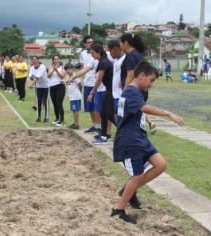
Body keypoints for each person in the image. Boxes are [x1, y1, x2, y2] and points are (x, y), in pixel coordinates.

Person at [111, 62, 185, 224]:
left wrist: (148, 121)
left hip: (139, 136)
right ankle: (118, 210)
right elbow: (143, 108)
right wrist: (169, 114)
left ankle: (129, 190)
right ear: (142, 75)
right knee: (136, 176)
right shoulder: (131, 92)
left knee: (160, 164)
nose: (151, 85)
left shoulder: (132, 91)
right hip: (130, 140)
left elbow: (129, 112)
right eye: (151, 80)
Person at [120, 33, 156, 134]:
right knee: (138, 114)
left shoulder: (131, 56)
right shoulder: (137, 54)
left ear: (125, 43)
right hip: (139, 89)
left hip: (134, 91)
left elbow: (130, 74)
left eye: (120, 43)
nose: (120, 46)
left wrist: (125, 91)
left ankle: (138, 136)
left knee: (134, 116)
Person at [70, 35, 101, 133]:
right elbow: (83, 68)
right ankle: (94, 125)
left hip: (96, 83)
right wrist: (78, 78)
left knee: (97, 106)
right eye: (88, 42)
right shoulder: (83, 54)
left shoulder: (98, 53)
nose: (90, 44)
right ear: (85, 44)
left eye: (92, 42)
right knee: (90, 106)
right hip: (87, 82)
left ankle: (99, 126)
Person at [87, 43, 113, 144]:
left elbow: (99, 80)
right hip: (109, 89)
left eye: (93, 53)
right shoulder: (102, 61)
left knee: (107, 113)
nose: (92, 55)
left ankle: (105, 136)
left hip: (111, 90)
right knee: (104, 113)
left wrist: (91, 93)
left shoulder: (104, 62)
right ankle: (104, 134)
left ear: (98, 52)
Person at [28, 56, 49, 122]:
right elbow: (31, 77)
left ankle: (46, 117)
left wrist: (32, 84)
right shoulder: (31, 68)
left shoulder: (42, 67)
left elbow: (37, 77)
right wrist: (32, 78)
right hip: (38, 86)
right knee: (39, 101)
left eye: (36, 59)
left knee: (45, 102)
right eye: (33, 60)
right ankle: (38, 117)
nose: (34, 61)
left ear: (38, 60)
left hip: (46, 86)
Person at [48, 55, 67, 127]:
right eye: (55, 59)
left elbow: (62, 76)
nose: (56, 60)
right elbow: (48, 76)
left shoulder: (63, 67)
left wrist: (56, 70)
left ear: (60, 60)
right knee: (54, 104)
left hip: (60, 87)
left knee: (59, 103)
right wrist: (53, 69)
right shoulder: (51, 67)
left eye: (58, 59)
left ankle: (62, 121)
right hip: (52, 87)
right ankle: (57, 119)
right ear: (53, 60)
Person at [65, 63, 82, 129]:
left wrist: (79, 92)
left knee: (75, 110)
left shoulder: (75, 76)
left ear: (73, 69)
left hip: (75, 96)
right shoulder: (67, 77)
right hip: (72, 96)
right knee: (74, 110)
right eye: (66, 69)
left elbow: (80, 85)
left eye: (69, 69)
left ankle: (76, 124)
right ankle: (75, 123)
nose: (68, 71)